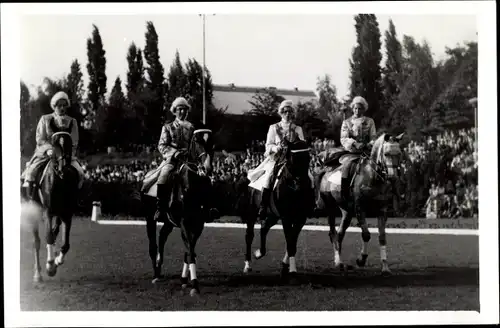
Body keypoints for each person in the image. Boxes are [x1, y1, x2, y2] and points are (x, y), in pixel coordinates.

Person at [155, 97, 220, 222]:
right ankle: (161, 209)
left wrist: (203, 158)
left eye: (185, 110)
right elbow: (162, 146)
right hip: (172, 159)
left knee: (204, 177)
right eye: (180, 109)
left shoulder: (191, 128)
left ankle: (208, 208)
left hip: (190, 160)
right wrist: (174, 153)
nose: (182, 112)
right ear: (175, 111)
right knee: (164, 174)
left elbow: (197, 145)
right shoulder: (168, 127)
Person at [248, 99, 314, 221]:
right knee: (268, 177)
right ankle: (263, 206)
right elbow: (268, 146)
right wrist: (275, 147)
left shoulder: (297, 128)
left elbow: (302, 144)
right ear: (281, 113)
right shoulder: (273, 128)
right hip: (277, 159)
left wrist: (296, 145)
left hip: (293, 160)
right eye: (285, 111)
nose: (287, 114)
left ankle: (310, 206)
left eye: (290, 111)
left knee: (310, 177)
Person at [21, 91, 84, 200]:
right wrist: (48, 150)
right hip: (46, 153)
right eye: (59, 105)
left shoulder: (72, 121)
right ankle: (31, 198)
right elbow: (40, 138)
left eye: (65, 105)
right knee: (31, 172)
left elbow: (74, 141)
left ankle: (77, 200)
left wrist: (68, 154)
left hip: (66, 155)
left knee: (80, 173)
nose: (62, 108)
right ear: (54, 106)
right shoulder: (45, 119)